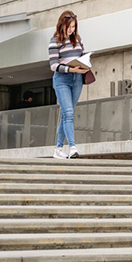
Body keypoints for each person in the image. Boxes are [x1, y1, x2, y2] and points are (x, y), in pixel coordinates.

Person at [48, 10, 88, 159]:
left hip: (77, 78)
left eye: (73, 27)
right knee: (69, 113)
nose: (71, 30)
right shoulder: (54, 41)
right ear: (61, 25)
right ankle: (72, 147)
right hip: (61, 80)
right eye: (69, 26)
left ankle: (58, 149)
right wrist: (70, 68)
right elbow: (53, 65)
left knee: (66, 114)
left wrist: (85, 63)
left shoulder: (77, 39)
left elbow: (81, 54)